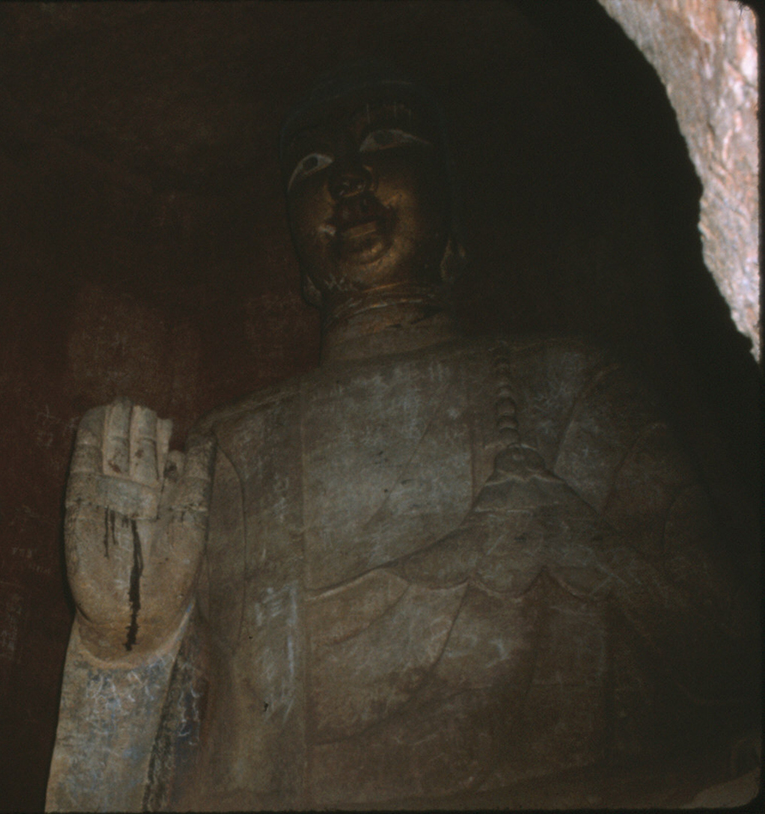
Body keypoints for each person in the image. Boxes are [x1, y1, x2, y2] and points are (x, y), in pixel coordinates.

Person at [46, 66, 758, 810]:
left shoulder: (573, 388)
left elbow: (733, 667)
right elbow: (127, 790)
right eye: (312, 166)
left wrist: (587, 551)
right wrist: (123, 645)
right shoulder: (234, 445)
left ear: (453, 206)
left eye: (387, 141)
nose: (348, 178)